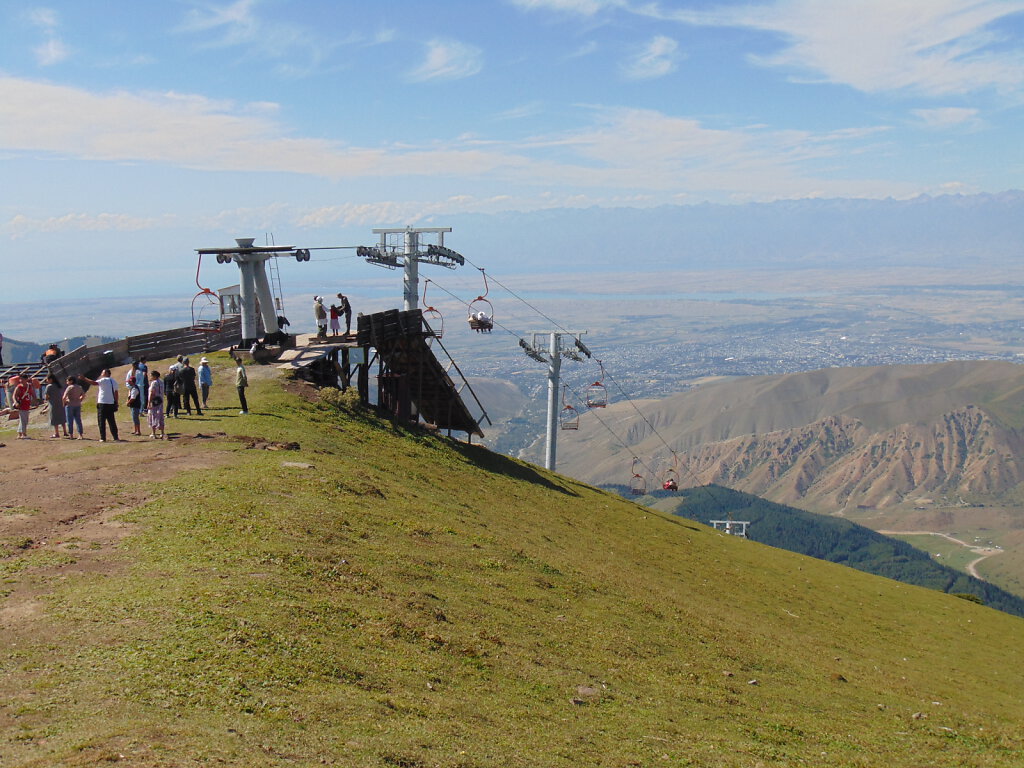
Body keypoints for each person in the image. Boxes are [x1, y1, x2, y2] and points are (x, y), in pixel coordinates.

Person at [82, 369, 119, 442]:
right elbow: (116, 393)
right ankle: (115, 437)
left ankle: (103, 437)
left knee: (101, 421)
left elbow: (94, 383)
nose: (101, 373)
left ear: (107, 373)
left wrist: (84, 378)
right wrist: (116, 402)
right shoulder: (114, 381)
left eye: (103, 372)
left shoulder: (103, 380)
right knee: (111, 421)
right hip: (111, 403)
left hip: (103, 403)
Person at [43, 373, 68, 438]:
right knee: (62, 418)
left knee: (54, 419)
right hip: (60, 403)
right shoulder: (58, 385)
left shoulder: (49, 386)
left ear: (50, 379)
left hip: (53, 404)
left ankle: (57, 433)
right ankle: (65, 432)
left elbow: (46, 396)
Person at [12, 375, 32, 439]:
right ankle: (24, 434)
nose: (21, 381)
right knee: (24, 420)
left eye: (22, 379)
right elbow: (14, 395)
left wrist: (35, 401)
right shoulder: (19, 387)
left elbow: (32, 394)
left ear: (26, 379)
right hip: (21, 405)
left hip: (27, 405)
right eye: (20, 379)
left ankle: (20, 433)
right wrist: (15, 402)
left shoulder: (29, 386)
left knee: (23, 419)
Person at [147, 370, 165, 439]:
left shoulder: (153, 383)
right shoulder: (161, 382)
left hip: (154, 402)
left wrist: (149, 402)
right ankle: (162, 432)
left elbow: (152, 393)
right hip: (160, 401)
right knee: (160, 415)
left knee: (153, 416)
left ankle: (153, 433)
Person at [125, 364, 142, 435]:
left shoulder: (134, 388)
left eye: (130, 381)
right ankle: (136, 430)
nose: (129, 382)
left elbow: (133, 398)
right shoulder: (133, 388)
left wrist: (128, 402)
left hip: (135, 405)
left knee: (135, 418)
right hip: (134, 405)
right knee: (134, 418)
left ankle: (138, 431)